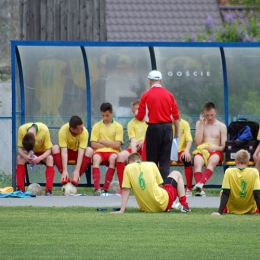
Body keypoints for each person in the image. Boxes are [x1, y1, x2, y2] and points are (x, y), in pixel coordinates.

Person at [135, 70, 180, 181]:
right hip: (167, 129)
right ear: (160, 80)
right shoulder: (169, 95)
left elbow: (140, 116)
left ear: (150, 81)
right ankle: (165, 188)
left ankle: (153, 186)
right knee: (165, 162)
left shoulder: (145, 95)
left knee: (152, 162)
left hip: (153, 129)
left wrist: (137, 115)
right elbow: (176, 117)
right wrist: (176, 134)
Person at [111, 153, 191, 213]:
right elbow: (160, 185)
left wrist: (122, 210)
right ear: (140, 159)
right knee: (176, 173)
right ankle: (184, 205)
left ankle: (173, 205)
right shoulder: (152, 164)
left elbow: (126, 190)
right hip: (163, 204)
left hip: (147, 209)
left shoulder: (128, 168)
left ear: (130, 162)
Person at [192, 102, 227, 196]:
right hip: (202, 149)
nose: (210, 118)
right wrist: (202, 125)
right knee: (197, 162)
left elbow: (224, 147)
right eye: (207, 115)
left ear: (216, 112)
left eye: (212, 115)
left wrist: (214, 148)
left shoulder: (221, 126)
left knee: (213, 161)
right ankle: (200, 190)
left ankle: (200, 183)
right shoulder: (199, 124)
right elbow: (197, 143)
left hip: (215, 149)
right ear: (203, 114)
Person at [211, 149, 260, 215]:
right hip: (251, 210)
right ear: (248, 162)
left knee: (222, 192)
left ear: (235, 161)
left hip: (232, 209)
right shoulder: (254, 172)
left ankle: (224, 209)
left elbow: (225, 193)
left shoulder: (229, 171)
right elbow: (257, 194)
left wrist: (219, 212)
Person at [90, 102, 124, 196]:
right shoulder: (96, 126)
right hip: (100, 152)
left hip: (113, 152)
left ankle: (105, 188)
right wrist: (109, 145)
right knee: (95, 158)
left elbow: (117, 145)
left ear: (112, 113)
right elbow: (93, 144)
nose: (105, 118)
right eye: (103, 115)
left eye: (107, 115)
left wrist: (101, 141)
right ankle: (97, 188)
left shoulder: (118, 127)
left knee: (113, 158)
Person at [52, 116, 93, 186]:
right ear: (72, 129)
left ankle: (76, 176)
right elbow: (64, 152)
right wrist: (65, 170)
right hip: (67, 152)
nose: (83, 130)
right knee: (55, 148)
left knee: (90, 150)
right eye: (80, 129)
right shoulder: (63, 131)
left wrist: (77, 170)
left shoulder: (85, 132)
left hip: (78, 153)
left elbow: (81, 153)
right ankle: (65, 176)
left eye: (82, 127)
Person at [16, 122, 55, 196]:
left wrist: (39, 158)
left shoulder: (44, 129)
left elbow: (49, 150)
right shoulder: (21, 130)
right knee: (19, 158)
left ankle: (49, 190)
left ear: (35, 138)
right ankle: (20, 189)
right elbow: (20, 149)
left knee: (50, 158)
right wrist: (26, 157)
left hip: (42, 152)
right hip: (28, 153)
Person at [116, 99, 147, 190]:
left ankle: (148, 187)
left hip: (147, 149)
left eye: (136, 110)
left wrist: (144, 141)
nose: (134, 113)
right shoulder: (131, 124)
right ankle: (124, 188)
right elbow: (133, 141)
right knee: (120, 156)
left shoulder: (150, 121)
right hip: (135, 149)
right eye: (133, 111)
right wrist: (134, 156)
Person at [172, 118, 193, 196]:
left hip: (180, 152)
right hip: (168, 152)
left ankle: (189, 189)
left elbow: (189, 140)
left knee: (187, 158)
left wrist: (186, 151)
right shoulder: (166, 124)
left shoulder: (185, 124)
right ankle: (162, 187)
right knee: (160, 162)